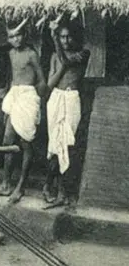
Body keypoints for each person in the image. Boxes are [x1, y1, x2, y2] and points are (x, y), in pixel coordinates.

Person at [0, 20, 47, 204]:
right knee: (7, 141)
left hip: (28, 96)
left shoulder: (31, 54)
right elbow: (13, 78)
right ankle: (5, 184)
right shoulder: (11, 53)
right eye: (11, 36)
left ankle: (21, 186)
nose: (15, 39)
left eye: (18, 35)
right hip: (14, 95)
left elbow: (42, 80)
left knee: (26, 142)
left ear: (25, 35)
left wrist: (37, 101)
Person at [43, 20, 90, 209]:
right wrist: (55, 43)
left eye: (68, 36)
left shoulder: (84, 53)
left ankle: (61, 190)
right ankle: (49, 186)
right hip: (56, 99)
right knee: (55, 144)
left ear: (76, 37)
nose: (65, 40)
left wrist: (53, 37)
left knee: (68, 144)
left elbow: (68, 61)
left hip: (71, 99)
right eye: (61, 36)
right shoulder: (55, 56)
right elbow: (49, 84)